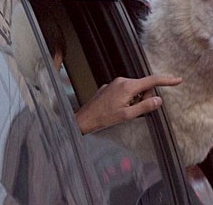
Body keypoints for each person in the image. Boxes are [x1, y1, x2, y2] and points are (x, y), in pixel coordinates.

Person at [37, 14, 182, 135]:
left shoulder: (26, 119)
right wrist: (83, 122)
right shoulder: (22, 130)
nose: (49, 92)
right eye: (39, 87)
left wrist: (78, 118)